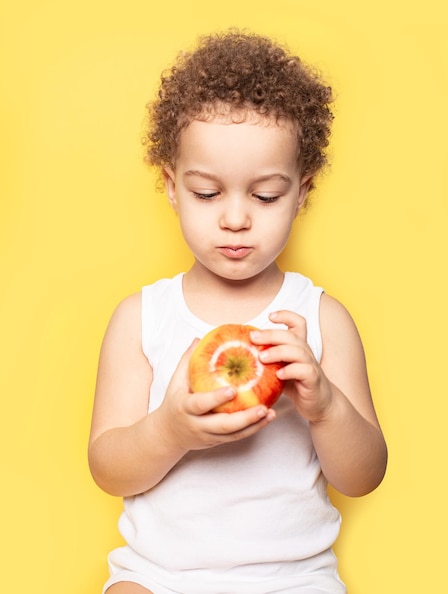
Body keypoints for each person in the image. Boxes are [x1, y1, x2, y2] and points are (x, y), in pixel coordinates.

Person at [88, 30, 388, 594]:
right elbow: (108, 468)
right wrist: (170, 431)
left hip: (294, 579)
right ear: (173, 188)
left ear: (302, 193)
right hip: (162, 576)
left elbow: (364, 476)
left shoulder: (319, 319)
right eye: (207, 193)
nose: (235, 219)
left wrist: (325, 406)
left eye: (266, 196)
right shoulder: (143, 318)